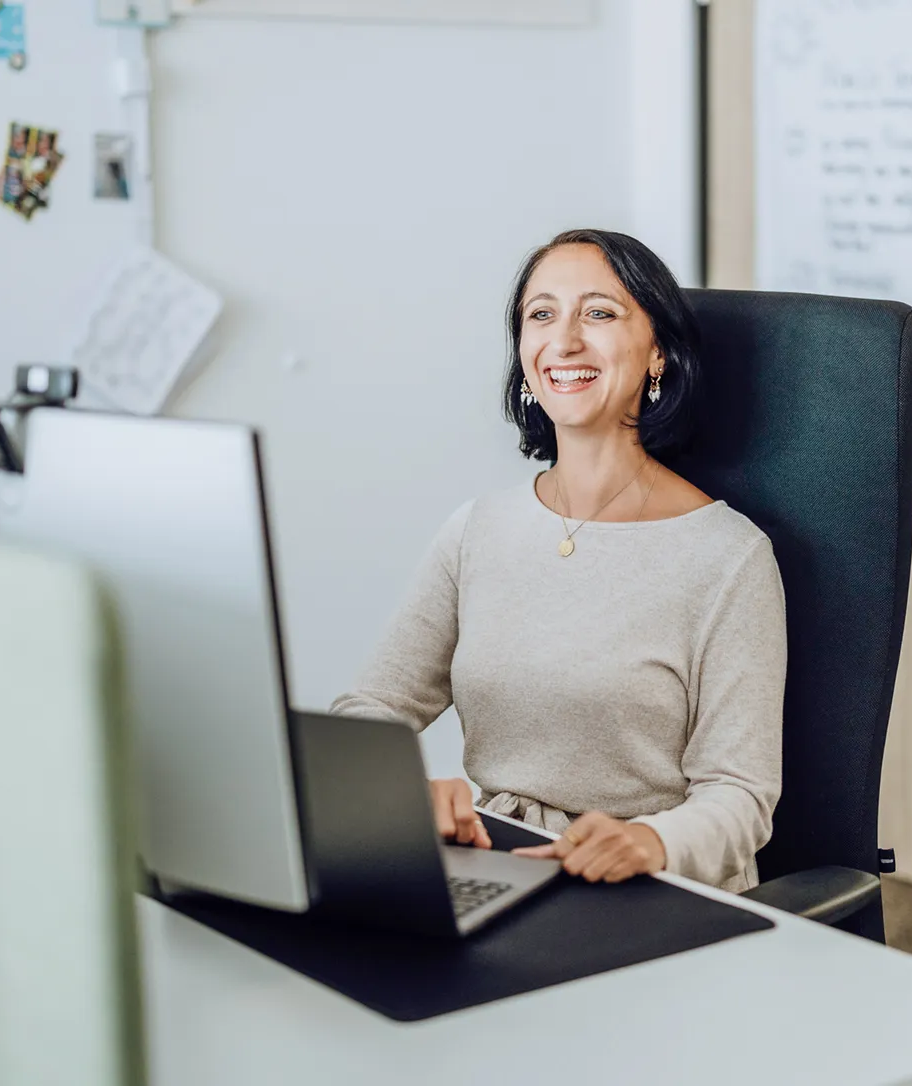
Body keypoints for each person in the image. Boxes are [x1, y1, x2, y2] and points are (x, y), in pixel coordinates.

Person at [331, 229, 786, 893]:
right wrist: (403, 788)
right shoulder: (477, 529)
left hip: (650, 887)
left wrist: (649, 842)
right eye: (541, 314)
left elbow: (741, 798)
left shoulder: (728, 558)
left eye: (598, 313)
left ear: (657, 350)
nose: (565, 340)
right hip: (498, 866)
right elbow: (367, 708)